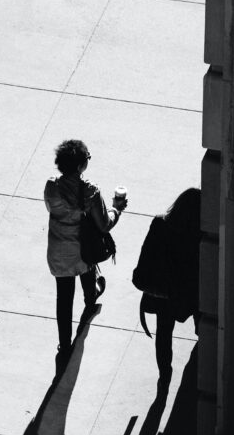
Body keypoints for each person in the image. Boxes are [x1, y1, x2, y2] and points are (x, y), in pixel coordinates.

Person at [44, 139, 126, 369]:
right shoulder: (90, 191)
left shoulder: (51, 187)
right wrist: (117, 209)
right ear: (80, 166)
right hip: (81, 248)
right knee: (87, 272)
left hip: (58, 249)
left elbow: (51, 209)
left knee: (63, 297)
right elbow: (104, 225)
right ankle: (90, 301)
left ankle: (64, 344)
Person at [140, 188, 201, 386]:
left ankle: (164, 373)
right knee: (201, 320)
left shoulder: (160, 223)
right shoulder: (198, 235)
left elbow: (146, 254)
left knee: (163, 333)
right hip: (188, 292)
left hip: (164, 291)